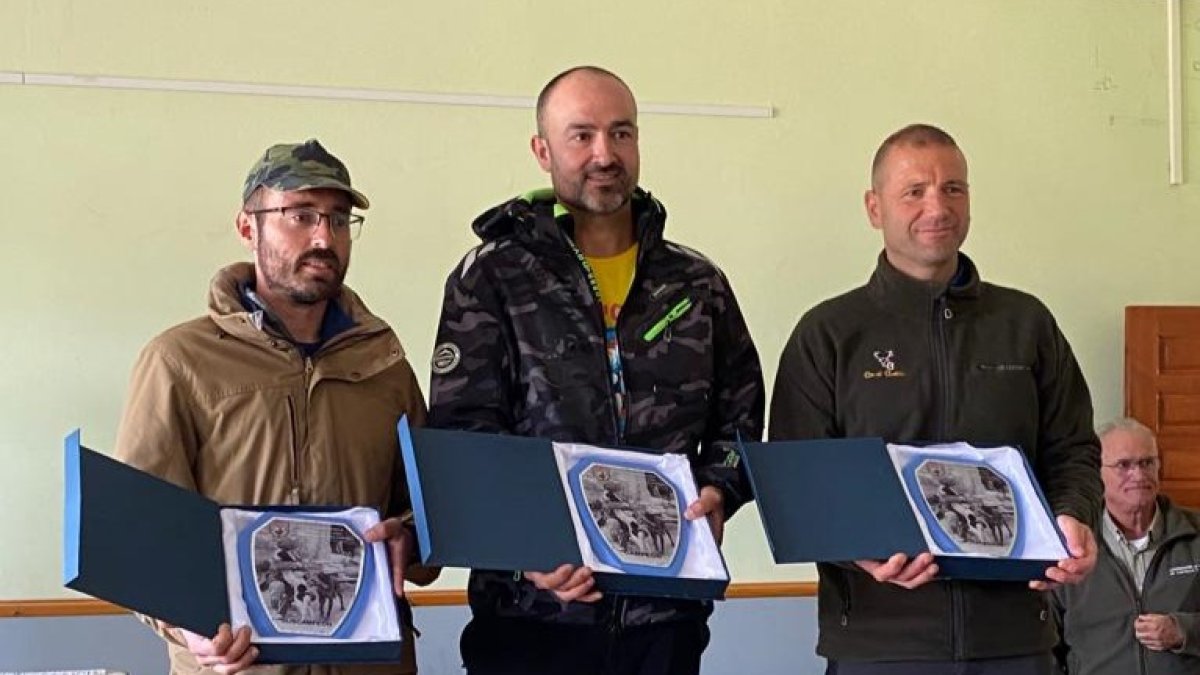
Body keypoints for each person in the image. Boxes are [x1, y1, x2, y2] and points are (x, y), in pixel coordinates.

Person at [427, 65, 765, 675]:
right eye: (581, 135)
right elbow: (463, 437)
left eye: (622, 133)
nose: (604, 154)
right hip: (530, 621)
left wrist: (721, 491)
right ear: (542, 150)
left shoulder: (696, 282)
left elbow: (741, 415)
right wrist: (522, 551)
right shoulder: (492, 277)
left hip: (665, 622)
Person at [769, 123, 1102, 674]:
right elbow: (795, 483)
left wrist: (1074, 515)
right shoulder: (828, 333)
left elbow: (1073, 450)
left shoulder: (1026, 323)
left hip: (1015, 641)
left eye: (953, 188)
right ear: (874, 208)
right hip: (879, 644)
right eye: (914, 191)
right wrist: (859, 551)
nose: (937, 206)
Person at [114, 139, 436, 675]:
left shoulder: (384, 364)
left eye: (338, 219)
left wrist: (407, 536)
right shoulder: (178, 361)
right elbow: (139, 536)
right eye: (300, 215)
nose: (323, 237)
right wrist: (187, 628)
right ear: (248, 227)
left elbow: (429, 512)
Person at [1053, 418, 1200, 674]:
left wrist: (1184, 631)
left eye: (1147, 463)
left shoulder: (1195, 533)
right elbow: (1045, 644)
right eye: (1124, 465)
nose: (1139, 475)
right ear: (1097, 473)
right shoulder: (1072, 546)